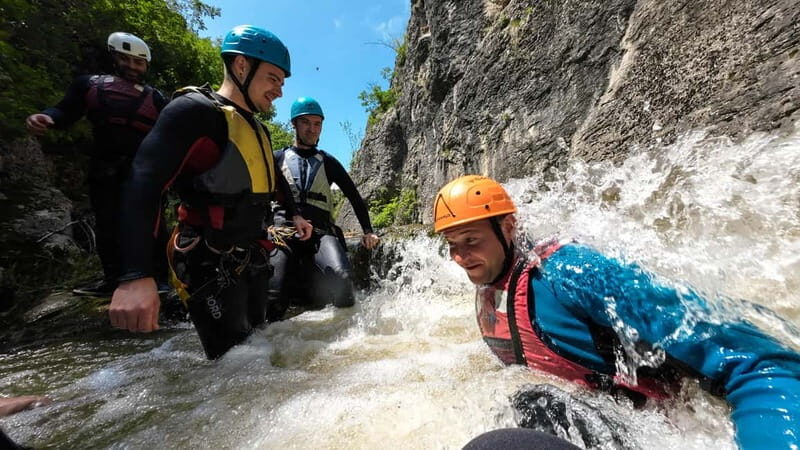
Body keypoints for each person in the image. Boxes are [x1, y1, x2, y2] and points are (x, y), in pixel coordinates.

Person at [433, 175, 800, 450]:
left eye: (471, 240)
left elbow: (761, 364)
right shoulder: (493, 293)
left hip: (667, 431)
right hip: (616, 425)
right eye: (452, 245)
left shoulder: (573, 273)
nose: (460, 258)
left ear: (508, 227)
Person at [108, 25, 313, 360]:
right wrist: (135, 275)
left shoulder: (257, 129)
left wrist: (295, 214)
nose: (279, 91)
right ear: (242, 66)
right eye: (274, 78)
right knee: (237, 365)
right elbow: (141, 185)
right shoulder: (194, 113)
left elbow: (274, 181)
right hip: (208, 261)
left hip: (253, 256)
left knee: (261, 346)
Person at [25, 32, 170, 297]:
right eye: (126, 60)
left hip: (145, 172)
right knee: (107, 224)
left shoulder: (156, 98)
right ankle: (113, 279)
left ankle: (161, 279)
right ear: (113, 58)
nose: (132, 67)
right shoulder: (89, 85)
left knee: (154, 226)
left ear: (146, 66)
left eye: (138, 63)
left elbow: (172, 136)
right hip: (104, 167)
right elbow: (65, 110)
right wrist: (45, 117)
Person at [267, 97, 379, 318]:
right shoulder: (277, 158)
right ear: (295, 125)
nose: (312, 129)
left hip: (320, 233)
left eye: (317, 124)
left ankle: (346, 336)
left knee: (342, 277)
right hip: (283, 233)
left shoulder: (328, 162)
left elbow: (354, 197)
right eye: (306, 123)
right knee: (273, 294)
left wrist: (368, 230)